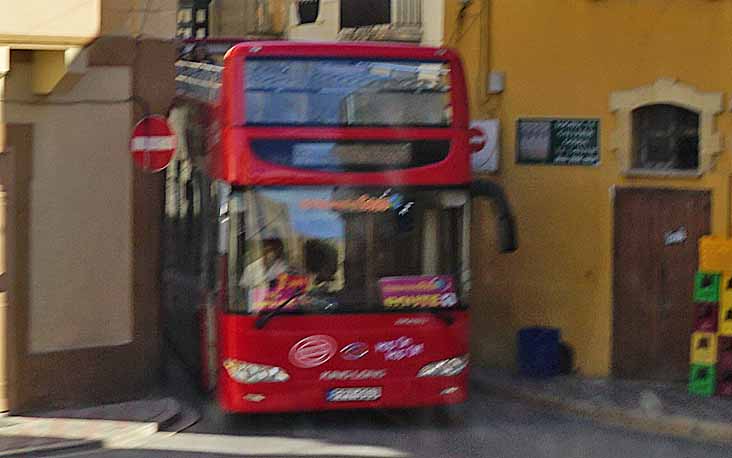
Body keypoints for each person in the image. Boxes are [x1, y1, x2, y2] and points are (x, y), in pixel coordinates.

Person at [239, 239, 291, 310]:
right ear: (262, 250)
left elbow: (286, 289)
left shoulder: (284, 268)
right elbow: (243, 291)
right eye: (268, 249)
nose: (271, 253)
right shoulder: (251, 268)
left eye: (274, 250)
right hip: (255, 311)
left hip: (277, 310)